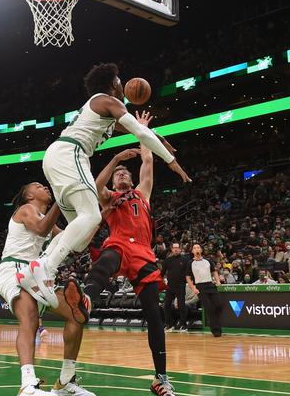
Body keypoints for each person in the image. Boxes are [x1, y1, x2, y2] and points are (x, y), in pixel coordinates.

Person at [31, 63, 191, 309]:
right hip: (71, 153)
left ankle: (37, 267)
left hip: (57, 158)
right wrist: (172, 161)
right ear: (113, 83)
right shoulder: (106, 100)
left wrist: (162, 139)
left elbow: (139, 132)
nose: (123, 84)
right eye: (120, 80)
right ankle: (46, 268)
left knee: (81, 237)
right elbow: (140, 133)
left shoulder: (103, 108)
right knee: (91, 215)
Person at [80, 117, 179, 396]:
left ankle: (160, 379)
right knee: (107, 257)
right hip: (120, 245)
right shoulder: (109, 198)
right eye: (118, 175)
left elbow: (148, 157)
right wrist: (115, 159)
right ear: (114, 183)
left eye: (125, 173)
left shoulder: (142, 194)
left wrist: (141, 131)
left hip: (144, 255)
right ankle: (86, 299)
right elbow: (95, 184)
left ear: (132, 180)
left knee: (155, 316)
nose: (122, 175)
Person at [0, 181, 97, 396]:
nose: (45, 188)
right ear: (28, 195)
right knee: (29, 317)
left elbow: (74, 243)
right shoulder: (26, 210)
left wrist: (98, 214)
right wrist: (60, 202)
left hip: (36, 273)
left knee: (76, 315)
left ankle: (66, 381)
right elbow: (40, 228)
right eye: (39, 186)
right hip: (13, 269)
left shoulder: (46, 220)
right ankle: (27, 385)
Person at [186, 244, 223, 337]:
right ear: (192, 252)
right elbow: (188, 278)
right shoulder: (190, 263)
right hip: (200, 287)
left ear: (201, 250)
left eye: (198, 247)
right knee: (209, 309)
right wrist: (193, 288)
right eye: (194, 248)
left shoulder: (208, 261)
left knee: (219, 305)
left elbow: (214, 272)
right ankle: (216, 330)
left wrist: (218, 281)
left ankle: (214, 322)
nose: (196, 249)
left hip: (210, 285)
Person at [162, 242, 189, 332]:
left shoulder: (185, 260)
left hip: (181, 286)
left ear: (180, 249)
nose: (176, 249)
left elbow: (188, 273)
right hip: (170, 286)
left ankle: (183, 325)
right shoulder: (167, 260)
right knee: (166, 305)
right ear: (172, 249)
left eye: (177, 248)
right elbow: (162, 273)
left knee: (181, 306)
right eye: (174, 248)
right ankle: (169, 324)